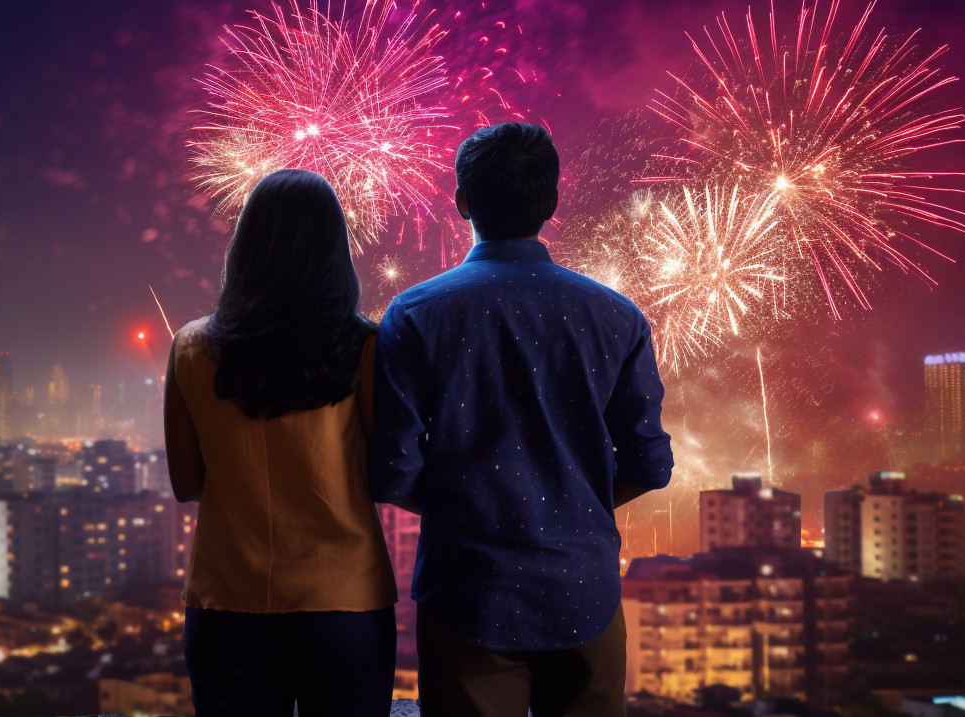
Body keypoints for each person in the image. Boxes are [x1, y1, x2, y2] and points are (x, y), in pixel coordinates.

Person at [368, 122, 674, 717]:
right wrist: (570, 505)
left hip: (466, 591)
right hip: (583, 589)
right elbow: (650, 464)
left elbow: (392, 471)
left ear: (461, 203)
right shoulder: (617, 316)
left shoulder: (415, 314)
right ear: (552, 203)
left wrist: (472, 506)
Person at [165, 168, 397, 717]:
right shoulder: (366, 346)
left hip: (228, 601)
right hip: (347, 603)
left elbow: (186, 483)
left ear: (246, 246)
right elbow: (386, 473)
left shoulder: (192, 348)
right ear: (334, 250)